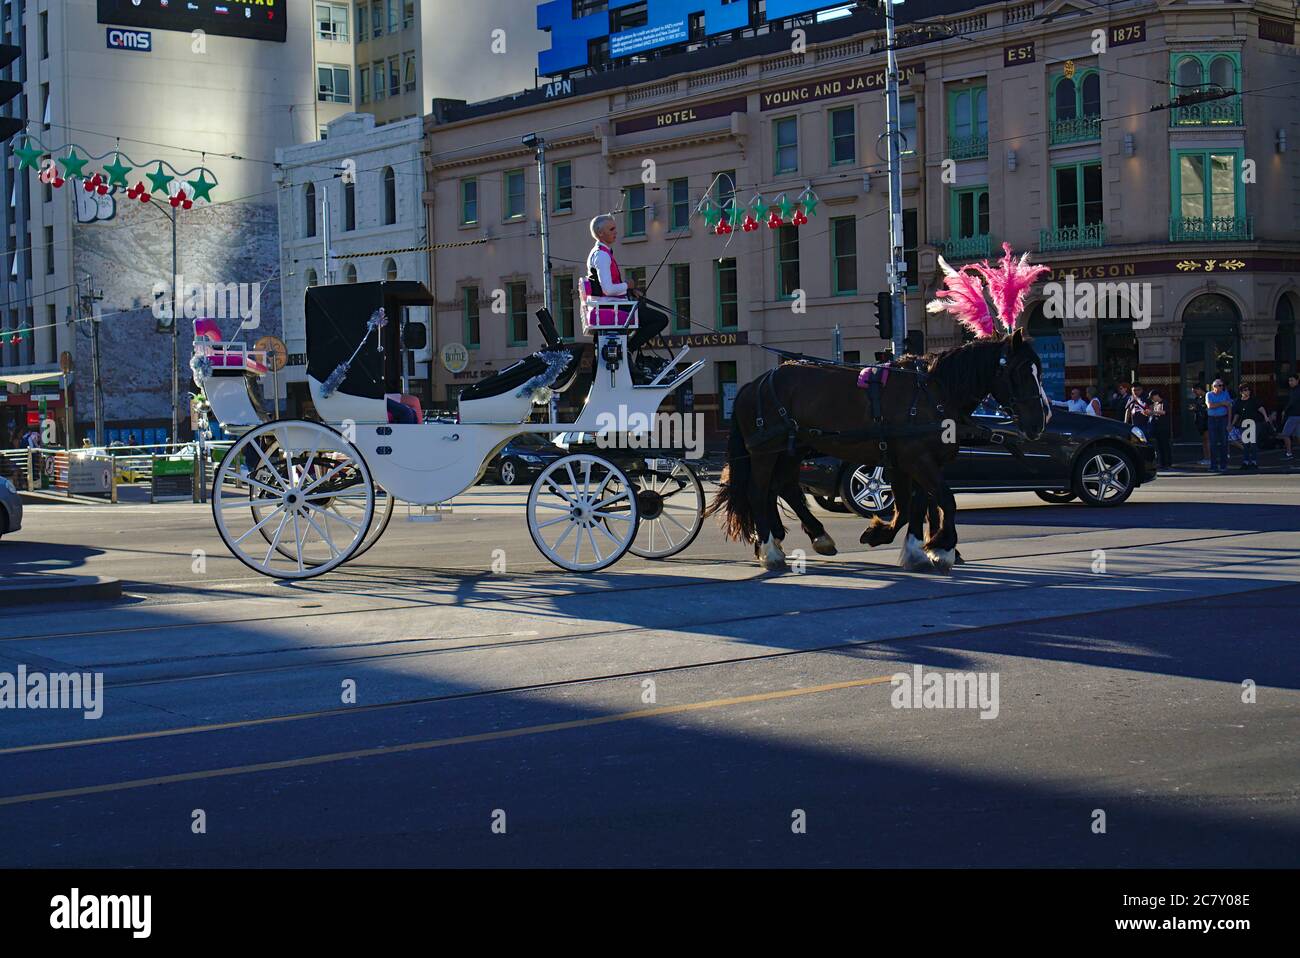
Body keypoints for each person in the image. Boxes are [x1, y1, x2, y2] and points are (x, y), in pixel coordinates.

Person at [587, 214, 668, 355]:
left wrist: (629, 291)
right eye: (611, 229)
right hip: (613, 306)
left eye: (615, 228)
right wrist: (627, 286)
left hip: (613, 303)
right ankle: (628, 349)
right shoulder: (602, 256)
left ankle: (629, 347)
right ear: (600, 233)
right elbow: (607, 289)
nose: (615, 232)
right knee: (660, 319)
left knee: (647, 313)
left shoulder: (600, 253)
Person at [1232, 384, 1267, 471]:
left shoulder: (1253, 400)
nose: (1247, 391)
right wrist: (1232, 424)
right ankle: (1246, 461)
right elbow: (1237, 414)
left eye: (1248, 390)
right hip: (1244, 424)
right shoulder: (1238, 401)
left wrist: (1266, 416)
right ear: (1241, 392)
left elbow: (1261, 408)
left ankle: (1254, 462)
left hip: (1254, 422)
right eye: (1245, 390)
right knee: (1246, 444)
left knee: (1253, 443)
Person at [1205, 379, 1233, 471]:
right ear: (1214, 387)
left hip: (1223, 419)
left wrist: (1229, 422)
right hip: (1212, 419)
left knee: (1224, 442)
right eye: (1219, 385)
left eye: (1222, 385)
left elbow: (1229, 407)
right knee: (1213, 443)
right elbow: (1210, 406)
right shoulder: (1209, 394)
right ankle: (1213, 465)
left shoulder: (1225, 394)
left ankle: (1223, 465)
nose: (1221, 387)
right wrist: (1222, 403)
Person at [1148, 389, 1173, 469]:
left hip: (1164, 427)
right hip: (1157, 427)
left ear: (1157, 395)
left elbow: (1164, 412)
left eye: (1152, 397)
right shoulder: (1155, 403)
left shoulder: (1164, 403)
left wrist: (1153, 412)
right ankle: (1162, 462)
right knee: (1159, 446)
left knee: (1165, 445)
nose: (1152, 399)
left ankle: (1167, 463)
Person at [1280, 373, 1300, 461]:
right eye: (1289, 380)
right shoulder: (1293, 390)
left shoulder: (1296, 391)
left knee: (1285, 434)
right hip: (1296, 415)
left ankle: (1289, 453)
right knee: (1298, 436)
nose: (1290, 382)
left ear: (1297, 380)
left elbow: (1292, 402)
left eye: (1292, 380)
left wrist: (1285, 411)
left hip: (1294, 416)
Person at [1191, 384, 1210, 464]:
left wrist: (1198, 408)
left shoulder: (1208, 396)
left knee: (1207, 439)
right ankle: (1206, 457)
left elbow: (1207, 408)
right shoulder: (1197, 398)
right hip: (1200, 421)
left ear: (1200, 389)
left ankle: (1209, 458)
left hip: (1206, 420)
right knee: (1204, 440)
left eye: (1195, 391)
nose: (1195, 393)